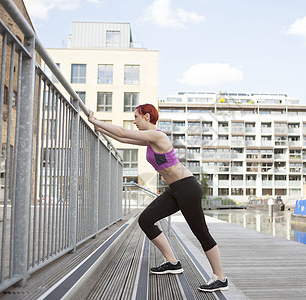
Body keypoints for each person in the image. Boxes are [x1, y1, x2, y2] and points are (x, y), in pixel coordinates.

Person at [87, 104, 228, 292]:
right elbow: (122, 137)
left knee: (201, 232)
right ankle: (172, 262)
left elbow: (121, 131)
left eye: (136, 117)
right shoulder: (149, 140)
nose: (134, 122)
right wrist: (98, 126)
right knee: (146, 220)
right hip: (176, 189)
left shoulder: (157, 136)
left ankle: (220, 277)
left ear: (146, 116)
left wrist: (95, 121)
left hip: (187, 188)